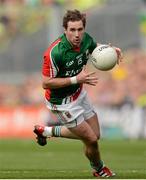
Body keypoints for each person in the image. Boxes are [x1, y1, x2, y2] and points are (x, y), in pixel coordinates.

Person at [34, 9, 122, 178]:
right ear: (65, 30)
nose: (77, 34)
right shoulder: (55, 53)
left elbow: (95, 48)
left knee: (95, 134)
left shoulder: (86, 39)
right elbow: (45, 83)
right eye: (72, 30)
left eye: (80, 29)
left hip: (79, 93)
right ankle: (99, 169)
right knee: (91, 139)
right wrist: (76, 79)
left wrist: (110, 51)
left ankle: (46, 131)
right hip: (62, 102)